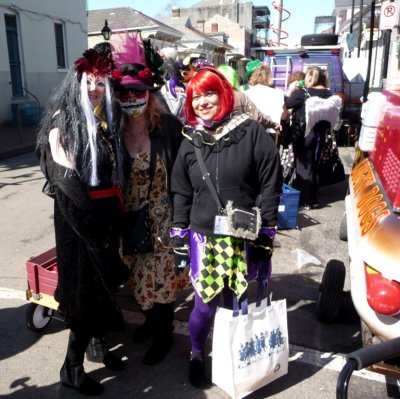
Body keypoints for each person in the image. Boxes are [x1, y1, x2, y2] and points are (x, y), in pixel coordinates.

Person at [170, 67, 283, 388]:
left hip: (244, 233)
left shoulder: (250, 132)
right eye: (196, 96)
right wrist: (179, 233)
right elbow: (181, 190)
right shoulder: (190, 139)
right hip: (204, 236)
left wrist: (267, 233)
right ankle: (195, 353)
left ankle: (237, 356)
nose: (203, 101)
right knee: (204, 306)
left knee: (239, 303)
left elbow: (270, 185)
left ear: (223, 93)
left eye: (209, 93)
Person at [36, 48, 130, 395]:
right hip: (79, 218)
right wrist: (92, 228)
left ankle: (97, 344)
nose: (93, 88)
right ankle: (71, 367)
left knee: (106, 283)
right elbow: (66, 181)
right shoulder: (64, 119)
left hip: (106, 213)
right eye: (88, 81)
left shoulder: (107, 116)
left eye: (100, 82)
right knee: (84, 292)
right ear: (77, 82)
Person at [112, 35, 187, 366]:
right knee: (138, 282)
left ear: (149, 94)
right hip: (130, 220)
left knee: (162, 284)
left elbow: (186, 168)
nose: (131, 98)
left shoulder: (168, 126)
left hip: (163, 219)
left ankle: (164, 334)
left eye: (137, 92)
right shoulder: (114, 131)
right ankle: (152, 321)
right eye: (124, 93)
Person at [285, 66, 341, 209]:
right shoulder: (329, 94)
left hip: (303, 134)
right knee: (314, 164)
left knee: (304, 167)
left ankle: (307, 201)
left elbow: (287, 103)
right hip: (320, 135)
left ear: (310, 77)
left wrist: (290, 89)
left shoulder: (303, 93)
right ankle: (312, 197)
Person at [217, 64, 279, 130]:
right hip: (237, 135)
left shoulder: (211, 97)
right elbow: (257, 116)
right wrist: (273, 124)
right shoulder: (240, 96)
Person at [244, 63, 285, 141]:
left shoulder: (246, 93)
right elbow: (284, 115)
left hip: (252, 132)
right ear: (269, 77)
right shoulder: (278, 93)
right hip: (272, 131)